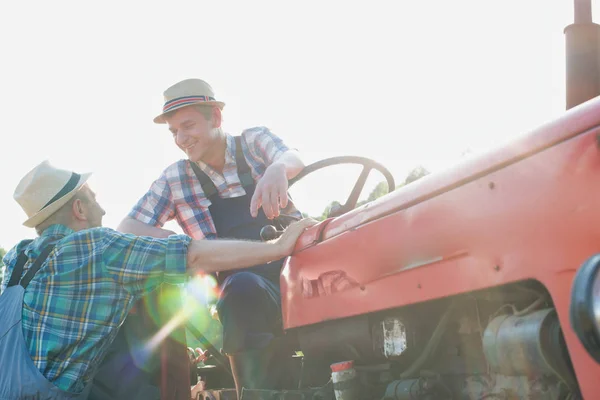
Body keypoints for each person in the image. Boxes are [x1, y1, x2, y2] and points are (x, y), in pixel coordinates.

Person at [0, 160, 315, 400]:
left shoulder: (18, 259)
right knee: (159, 285)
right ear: (79, 208)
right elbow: (191, 256)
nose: (104, 208)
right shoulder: (95, 246)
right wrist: (276, 246)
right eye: (93, 198)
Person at [116, 78, 306, 397]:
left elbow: (293, 158)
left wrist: (278, 169)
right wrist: (184, 245)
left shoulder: (254, 143)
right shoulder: (176, 178)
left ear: (215, 118)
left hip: (299, 270)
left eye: (187, 126)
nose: (181, 138)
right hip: (243, 286)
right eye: (174, 131)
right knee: (242, 290)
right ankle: (257, 392)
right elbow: (127, 227)